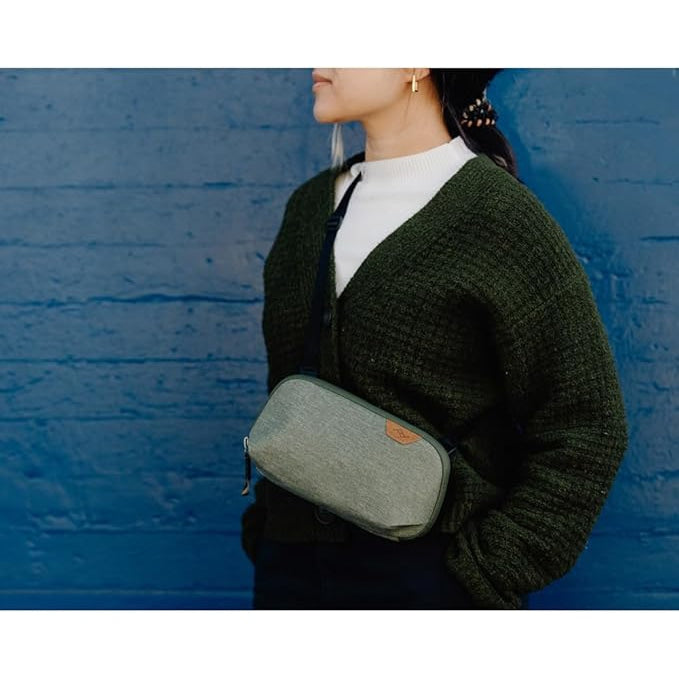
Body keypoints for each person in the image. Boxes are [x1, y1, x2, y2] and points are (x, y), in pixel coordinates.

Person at [240, 68, 629, 610]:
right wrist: (269, 533)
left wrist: (484, 570)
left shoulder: (499, 218)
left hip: (430, 579)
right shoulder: (308, 209)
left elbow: (586, 422)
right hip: (290, 574)